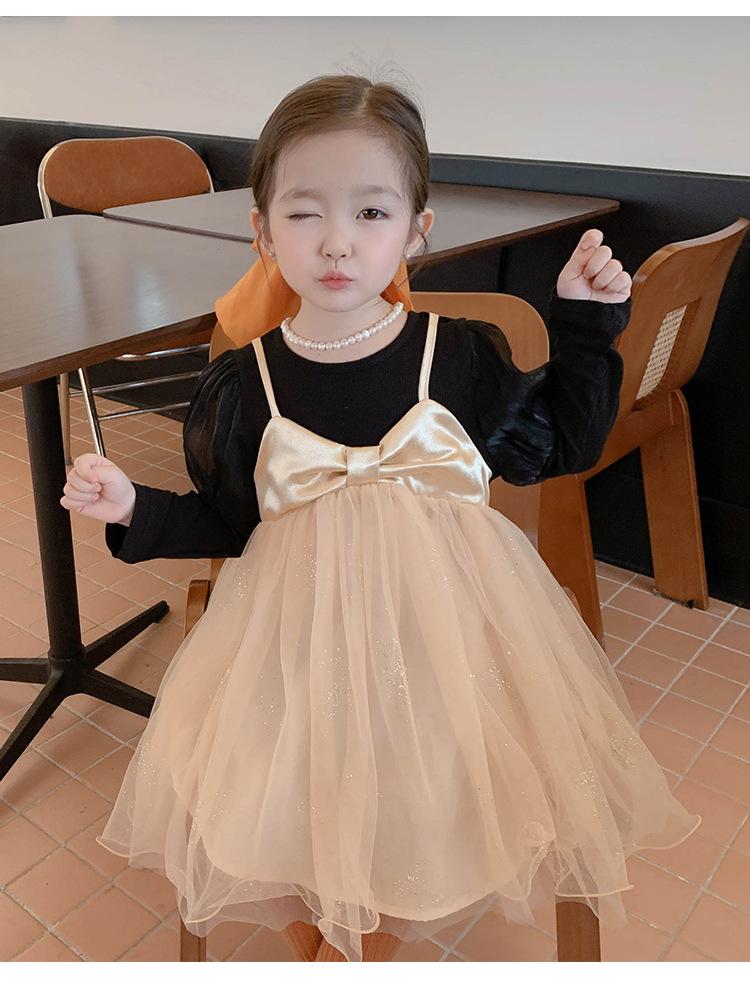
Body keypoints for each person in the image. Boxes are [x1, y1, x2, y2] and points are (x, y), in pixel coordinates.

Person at [60, 74, 701, 964]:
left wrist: (588, 327)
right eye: (304, 213)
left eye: (370, 212)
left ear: (415, 229)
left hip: (443, 642)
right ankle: (324, 933)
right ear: (263, 231)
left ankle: (371, 938)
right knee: (284, 791)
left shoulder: (461, 355)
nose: (337, 241)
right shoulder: (243, 382)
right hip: (295, 643)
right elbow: (227, 521)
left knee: (427, 786)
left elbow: (559, 445)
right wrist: (134, 507)